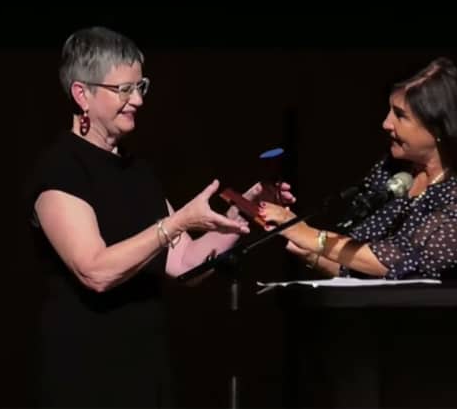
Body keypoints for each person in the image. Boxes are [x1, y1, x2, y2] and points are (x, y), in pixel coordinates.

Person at [24, 26, 295, 407]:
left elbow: (184, 263)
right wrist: (176, 223)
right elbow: (95, 271)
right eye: (124, 90)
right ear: (82, 94)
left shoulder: (139, 172)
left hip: (145, 369)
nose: (137, 100)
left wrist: (240, 212)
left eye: (141, 87)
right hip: (87, 374)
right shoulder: (61, 168)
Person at [259, 57, 457, 280]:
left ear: (438, 128)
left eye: (400, 115)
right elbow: (358, 266)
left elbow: (405, 261)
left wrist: (309, 235)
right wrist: (304, 247)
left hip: (450, 327)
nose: (385, 123)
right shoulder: (393, 169)